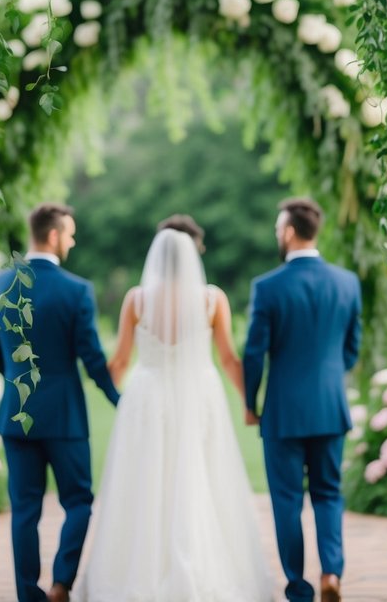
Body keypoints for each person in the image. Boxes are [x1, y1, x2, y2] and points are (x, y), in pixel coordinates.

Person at [74, 224, 272, 602]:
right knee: (201, 477)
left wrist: (103, 386)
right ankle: (201, 569)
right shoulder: (213, 299)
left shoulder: (137, 299)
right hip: (200, 395)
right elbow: (229, 358)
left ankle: (138, 573)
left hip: (147, 397)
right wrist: (250, 402)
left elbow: (119, 359)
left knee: (145, 480)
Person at [0, 203, 120, 602]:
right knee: (78, 501)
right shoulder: (76, 290)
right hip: (64, 418)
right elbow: (92, 358)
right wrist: (119, 401)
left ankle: (29, 594)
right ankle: (61, 584)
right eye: (71, 234)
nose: (73, 242)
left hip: (16, 416)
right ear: (55, 235)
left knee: (24, 509)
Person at [243, 197, 362, 602]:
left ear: (290, 232)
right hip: (330, 407)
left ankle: (298, 586)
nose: (278, 235)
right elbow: (351, 349)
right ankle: (332, 572)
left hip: (283, 413)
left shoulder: (267, 286)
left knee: (287, 500)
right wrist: (328, 376)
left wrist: (251, 403)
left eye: (279, 230)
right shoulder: (347, 282)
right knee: (329, 493)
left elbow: (253, 352)